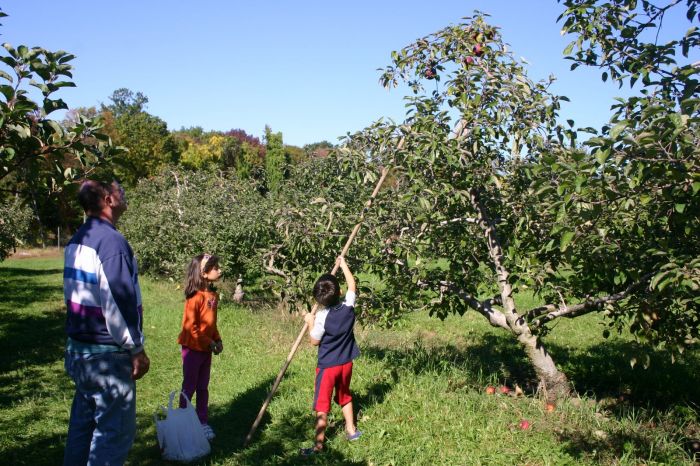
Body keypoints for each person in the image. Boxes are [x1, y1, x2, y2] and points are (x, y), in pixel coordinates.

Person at [63, 179, 150, 466]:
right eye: (119, 191)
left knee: (83, 427)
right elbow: (118, 301)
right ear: (107, 200)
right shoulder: (112, 243)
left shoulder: (79, 238)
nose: (124, 194)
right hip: (106, 357)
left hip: (80, 351)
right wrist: (135, 348)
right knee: (114, 433)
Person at [300, 256, 362, 456]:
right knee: (345, 396)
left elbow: (314, 341)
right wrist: (343, 264)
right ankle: (351, 431)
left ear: (318, 300)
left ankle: (318, 446)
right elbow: (352, 284)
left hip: (327, 367)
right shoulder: (348, 307)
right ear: (340, 292)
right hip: (346, 363)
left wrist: (310, 320)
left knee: (322, 405)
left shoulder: (321, 317)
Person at [177, 253, 223, 441]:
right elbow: (191, 327)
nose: (219, 270)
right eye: (215, 268)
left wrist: (217, 339)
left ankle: (202, 421)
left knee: (203, 386)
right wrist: (209, 342)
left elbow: (211, 324)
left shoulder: (213, 296)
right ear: (204, 273)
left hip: (206, 349)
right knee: (189, 386)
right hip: (193, 349)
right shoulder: (194, 298)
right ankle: (183, 420)